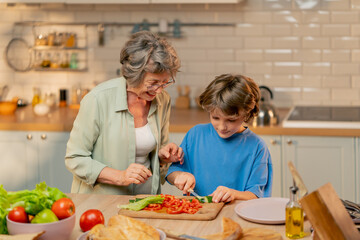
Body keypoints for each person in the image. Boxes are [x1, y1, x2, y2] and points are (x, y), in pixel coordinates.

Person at [65, 31, 184, 195]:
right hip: (101, 202)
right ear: (134, 75)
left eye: (165, 82)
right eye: (153, 83)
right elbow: (75, 158)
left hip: (145, 200)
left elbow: (158, 155)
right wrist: (120, 176)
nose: (158, 90)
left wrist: (164, 156)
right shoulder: (98, 100)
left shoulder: (163, 100)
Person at [166, 74, 273, 203]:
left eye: (231, 120)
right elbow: (172, 171)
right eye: (215, 118)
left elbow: (257, 195)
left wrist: (232, 194)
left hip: (236, 215)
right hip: (198, 213)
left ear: (246, 114)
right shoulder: (195, 135)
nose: (222, 127)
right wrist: (179, 176)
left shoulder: (257, 147)